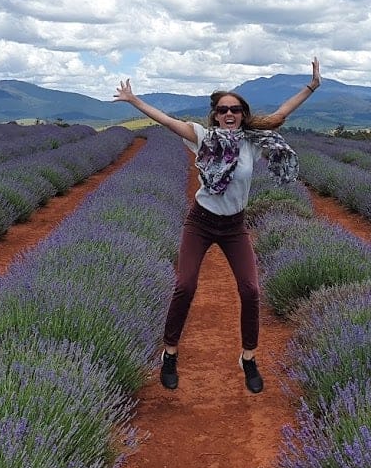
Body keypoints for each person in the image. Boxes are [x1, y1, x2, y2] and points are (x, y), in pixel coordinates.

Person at [114, 58, 322, 393]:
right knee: (185, 285)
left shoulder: (252, 141)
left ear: (243, 114)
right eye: (223, 109)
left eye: (236, 110)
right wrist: (135, 101)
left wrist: (312, 86)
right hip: (200, 222)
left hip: (235, 227)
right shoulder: (203, 137)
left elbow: (281, 114)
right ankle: (169, 352)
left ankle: (249, 358)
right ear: (214, 113)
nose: (229, 114)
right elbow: (167, 121)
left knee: (251, 290)